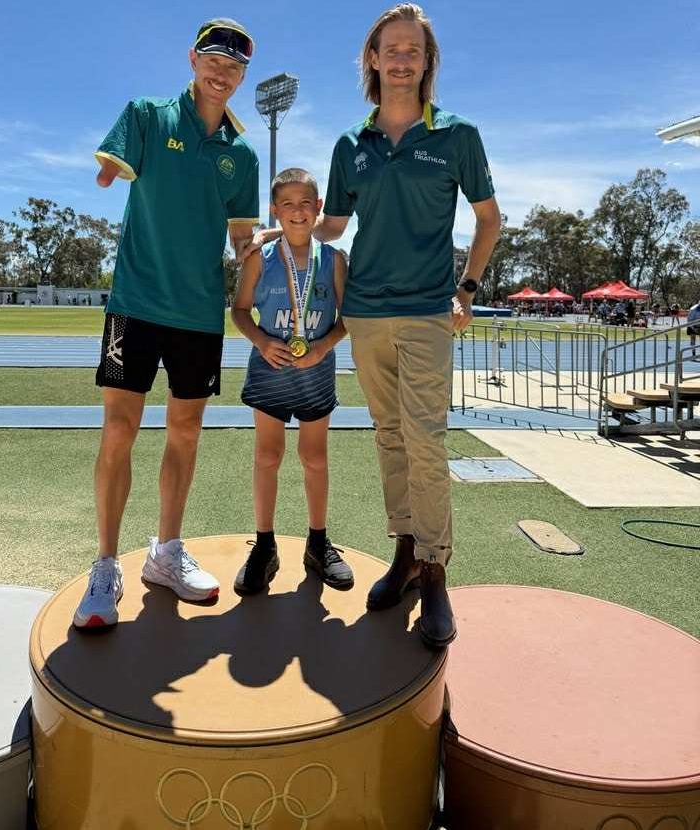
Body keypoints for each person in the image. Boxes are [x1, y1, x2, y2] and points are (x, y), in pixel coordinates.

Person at [249, 4, 500, 648]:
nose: (401, 59)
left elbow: (489, 219)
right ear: (373, 59)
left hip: (426, 310)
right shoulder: (350, 145)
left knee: (426, 441)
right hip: (364, 313)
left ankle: (436, 571)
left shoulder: (457, 135)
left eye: (413, 49)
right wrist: (286, 228)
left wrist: (467, 289)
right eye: (392, 49)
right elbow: (334, 226)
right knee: (390, 437)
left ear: (427, 60)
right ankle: (406, 553)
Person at [73, 18, 259, 629]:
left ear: (242, 77)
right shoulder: (149, 116)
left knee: (185, 432)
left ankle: (166, 552)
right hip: (135, 304)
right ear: (193, 60)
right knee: (118, 431)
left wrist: (269, 257)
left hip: (199, 314)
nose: (222, 72)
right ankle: (105, 566)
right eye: (213, 60)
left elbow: (240, 238)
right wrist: (108, 170)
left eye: (234, 67)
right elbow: (112, 163)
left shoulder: (243, 154)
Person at [232, 168, 354, 595]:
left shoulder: (334, 260)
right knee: (267, 456)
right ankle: (264, 546)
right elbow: (239, 311)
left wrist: (323, 347)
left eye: (305, 203)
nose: (297, 211)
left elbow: (347, 319)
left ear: (318, 207)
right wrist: (262, 340)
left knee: (314, 457)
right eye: (288, 204)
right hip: (269, 371)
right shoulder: (260, 258)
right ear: (275, 210)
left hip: (316, 373)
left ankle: (317, 543)